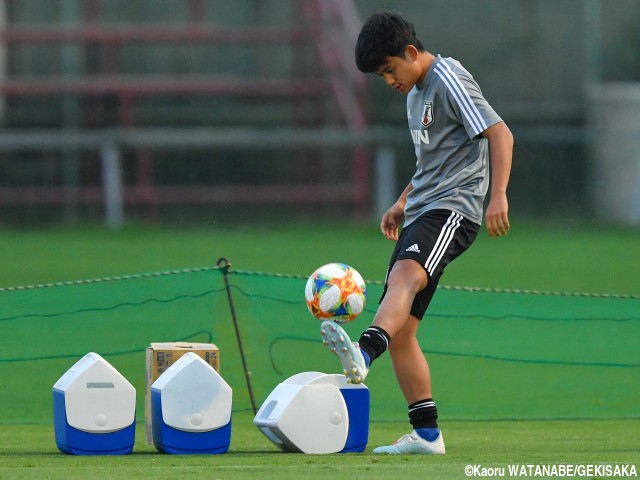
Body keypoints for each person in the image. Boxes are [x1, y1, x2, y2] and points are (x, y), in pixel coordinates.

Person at [320, 10, 513, 455]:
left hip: (453, 211)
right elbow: (433, 163)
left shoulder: (448, 77)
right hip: (423, 209)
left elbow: (500, 134)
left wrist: (497, 196)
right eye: (381, 75)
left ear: (410, 52)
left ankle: (363, 353)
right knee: (404, 330)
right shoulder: (415, 94)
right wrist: (403, 200)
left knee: (406, 275)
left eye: (390, 69)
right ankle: (427, 435)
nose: (389, 80)